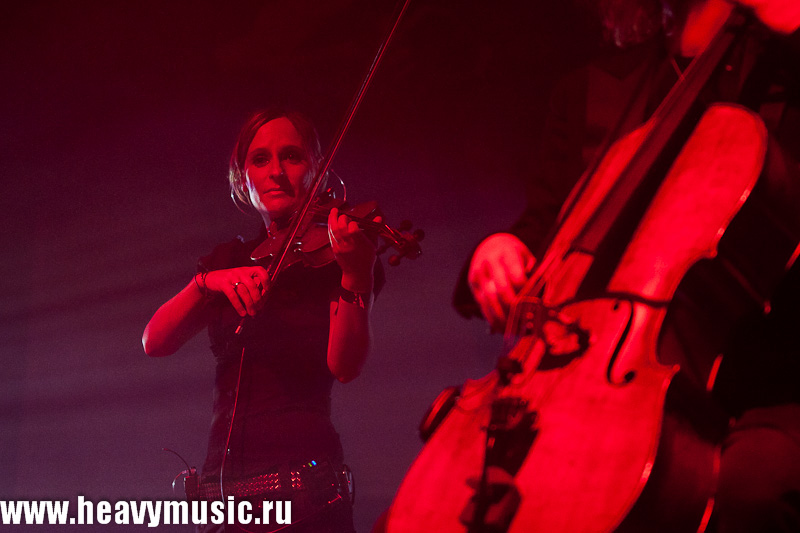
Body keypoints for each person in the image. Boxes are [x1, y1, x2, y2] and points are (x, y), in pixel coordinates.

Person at [455, 0, 800, 530]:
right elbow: (549, 224)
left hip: (767, 384)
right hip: (594, 373)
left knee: (747, 492)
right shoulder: (592, 89)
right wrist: (500, 246)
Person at [143, 108, 383, 533]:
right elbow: (154, 341)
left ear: (317, 169)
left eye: (292, 156)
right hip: (221, 500)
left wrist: (355, 273)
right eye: (260, 159)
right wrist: (205, 283)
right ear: (242, 178)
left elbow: (345, 366)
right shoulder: (226, 262)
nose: (277, 172)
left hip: (305, 495)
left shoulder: (336, 260)